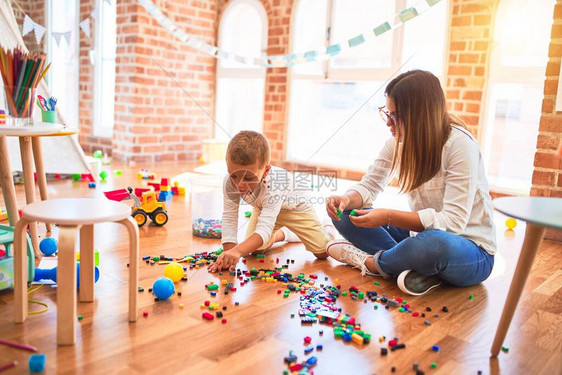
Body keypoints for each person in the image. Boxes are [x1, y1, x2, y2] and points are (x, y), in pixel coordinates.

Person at [325, 69, 496, 296]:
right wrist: (346, 199)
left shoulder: (459, 145)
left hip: (471, 252)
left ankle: (374, 264)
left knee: (432, 244)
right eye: (387, 113)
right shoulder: (397, 144)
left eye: (395, 116)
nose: (388, 123)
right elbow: (369, 186)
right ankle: (413, 267)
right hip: (422, 238)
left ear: (421, 114)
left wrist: (388, 216)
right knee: (349, 216)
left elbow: (453, 223)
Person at [208, 130, 331, 272]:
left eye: (248, 178)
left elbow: (264, 229)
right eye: (233, 175)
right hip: (263, 208)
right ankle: (285, 234)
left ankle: (327, 228)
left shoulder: (274, 184)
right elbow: (230, 217)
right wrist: (228, 255)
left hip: (295, 208)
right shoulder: (229, 183)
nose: (239, 184)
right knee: (256, 249)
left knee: (322, 252)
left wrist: (237, 251)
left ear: (265, 171)